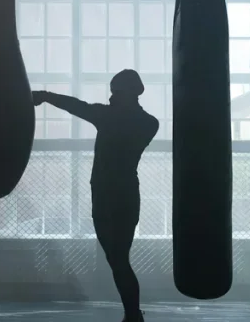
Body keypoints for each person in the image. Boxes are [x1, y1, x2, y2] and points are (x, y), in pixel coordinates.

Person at [32, 69, 158, 322]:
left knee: (117, 258)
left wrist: (45, 95)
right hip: (123, 194)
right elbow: (79, 107)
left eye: (115, 92)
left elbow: (76, 106)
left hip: (107, 194)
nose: (111, 98)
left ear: (128, 93)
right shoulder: (148, 123)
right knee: (118, 258)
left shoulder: (109, 116)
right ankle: (132, 313)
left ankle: (133, 314)